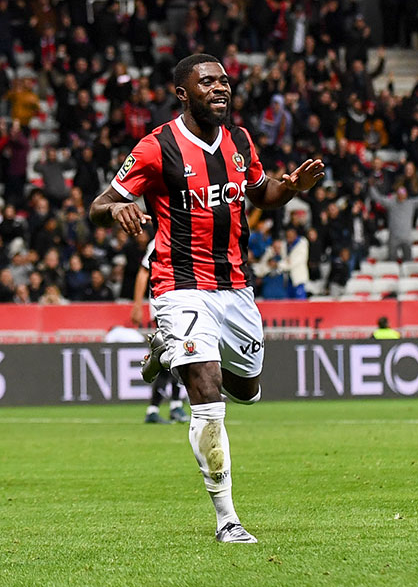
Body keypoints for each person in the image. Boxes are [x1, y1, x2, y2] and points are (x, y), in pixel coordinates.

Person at [89, 54, 326, 543]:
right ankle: (227, 520)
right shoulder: (157, 147)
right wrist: (118, 212)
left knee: (247, 391)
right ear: (183, 92)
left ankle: (164, 349)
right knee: (208, 393)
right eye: (208, 82)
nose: (222, 88)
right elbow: (99, 204)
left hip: (236, 289)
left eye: (224, 81)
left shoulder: (240, 141)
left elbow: (262, 195)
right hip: (179, 285)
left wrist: (293, 188)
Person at [132, 239, 189, 424]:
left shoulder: (184, 237)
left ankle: (171, 406)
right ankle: (160, 408)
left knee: (178, 355)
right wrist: (138, 304)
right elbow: (143, 272)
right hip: (165, 307)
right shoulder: (159, 240)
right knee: (168, 355)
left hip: (182, 306)